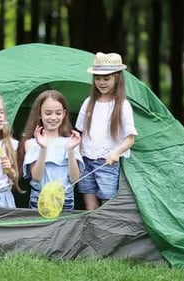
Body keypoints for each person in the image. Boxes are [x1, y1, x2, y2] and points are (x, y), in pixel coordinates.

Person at [75, 52, 138, 210]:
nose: (101, 82)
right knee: (88, 194)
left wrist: (116, 152)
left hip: (107, 162)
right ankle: (93, 229)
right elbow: (80, 132)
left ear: (117, 78)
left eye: (106, 78)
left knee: (106, 198)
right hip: (86, 159)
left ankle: (104, 230)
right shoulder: (89, 102)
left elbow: (130, 139)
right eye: (97, 78)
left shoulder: (122, 105)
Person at [18, 90, 84, 210]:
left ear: (64, 114)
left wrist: (70, 150)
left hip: (65, 199)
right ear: (40, 114)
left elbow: (75, 178)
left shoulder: (71, 142)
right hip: (40, 199)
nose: (53, 118)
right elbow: (37, 177)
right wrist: (43, 148)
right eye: (48, 113)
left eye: (58, 113)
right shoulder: (31, 143)